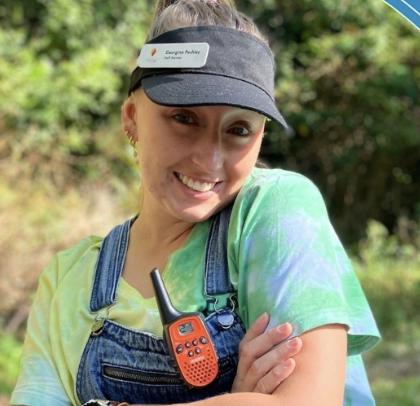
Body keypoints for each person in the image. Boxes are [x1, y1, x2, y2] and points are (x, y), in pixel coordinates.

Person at [11, 1, 381, 405]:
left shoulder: (275, 210)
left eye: (239, 129)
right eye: (184, 119)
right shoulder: (68, 281)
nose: (209, 160)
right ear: (132, 117)